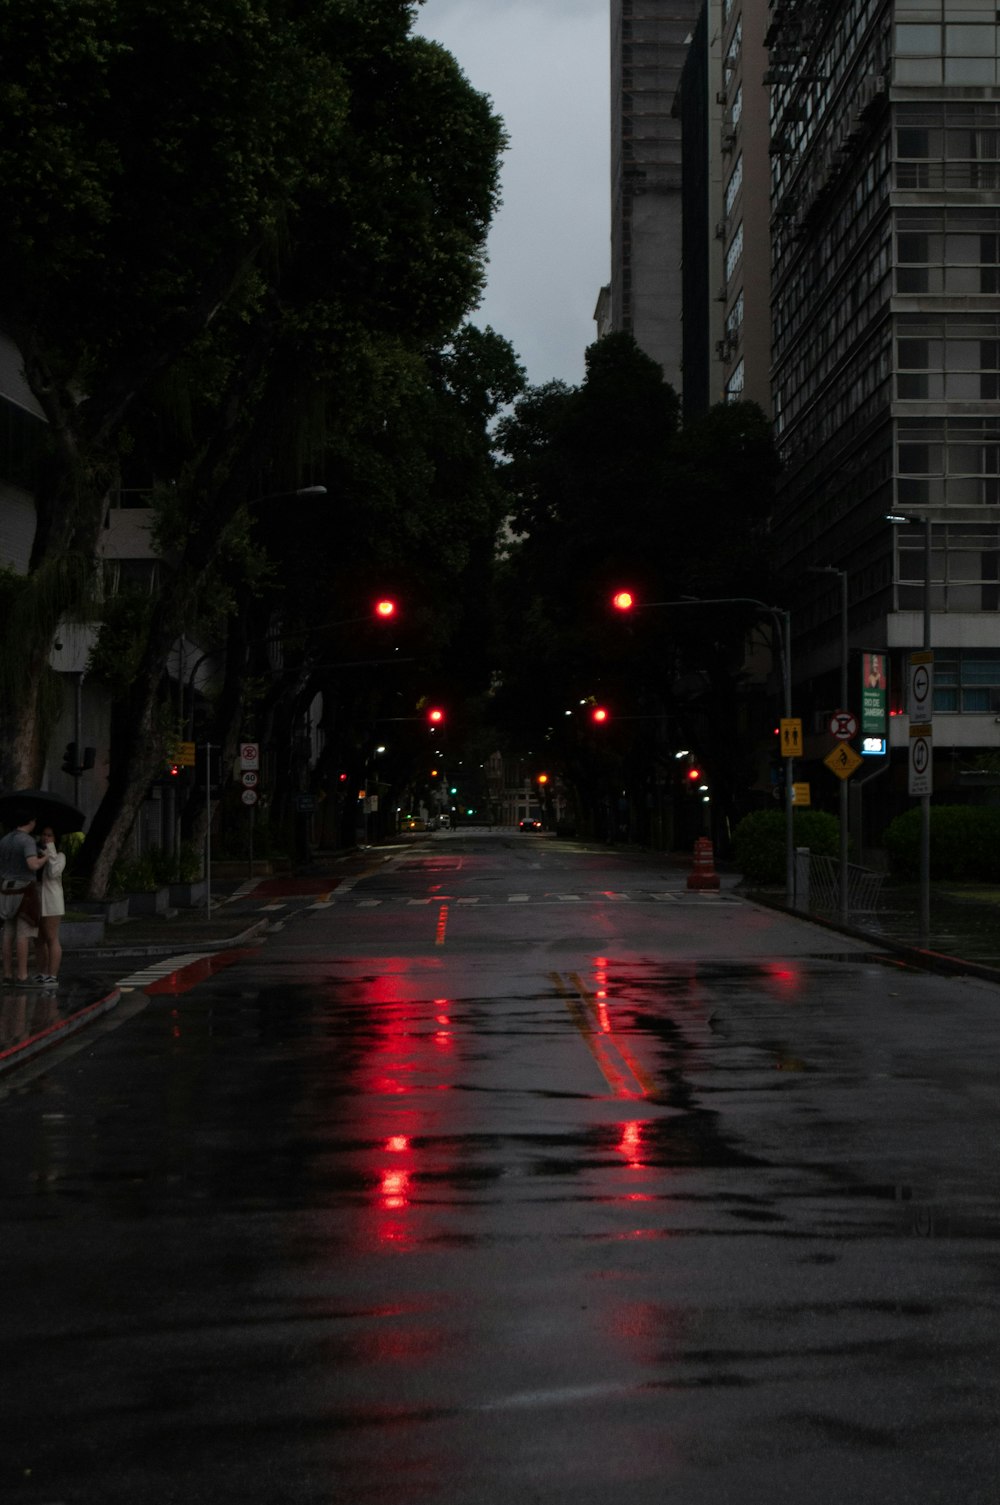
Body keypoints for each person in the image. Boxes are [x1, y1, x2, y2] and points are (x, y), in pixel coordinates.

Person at [0, 808, 49, 985]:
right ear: (30, 821)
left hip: (5, 888)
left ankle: (6, 974)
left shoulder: (5, 840)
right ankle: (22, 975)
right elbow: (33, 864)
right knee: (24, 933)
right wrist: (45, 858)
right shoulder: (26, 841)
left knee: (8, 933)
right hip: (24, 889)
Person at [34, 825, 66, 988]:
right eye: (44, 834)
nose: (46, 838)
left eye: (50, 835)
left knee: (51, 937)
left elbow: (54, 872)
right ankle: (42, 972)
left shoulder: (59, 856)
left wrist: (50, 851)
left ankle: (52, 975)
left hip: (52, 901)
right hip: (37, 898)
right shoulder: (36, 853)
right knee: (39, 938)